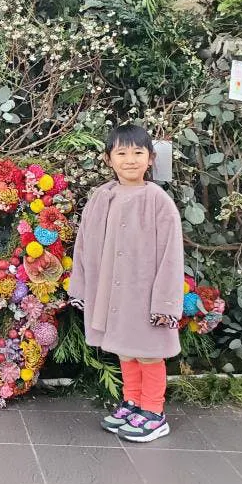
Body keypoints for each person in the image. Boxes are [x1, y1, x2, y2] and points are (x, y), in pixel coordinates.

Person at [67, 123, 183, 442]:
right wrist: (82, 287)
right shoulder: (102, 197)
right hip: (111, 291)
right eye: (121, 153)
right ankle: (132, 402)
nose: (130, 160)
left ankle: (154, 412)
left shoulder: (158, 201)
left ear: (150, 159)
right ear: (108, 159)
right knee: (125, 349)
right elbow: (84, 244)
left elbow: (171, 256)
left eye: (138, 153)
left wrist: (165, 303)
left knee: (148, 351)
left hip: (144, 293)